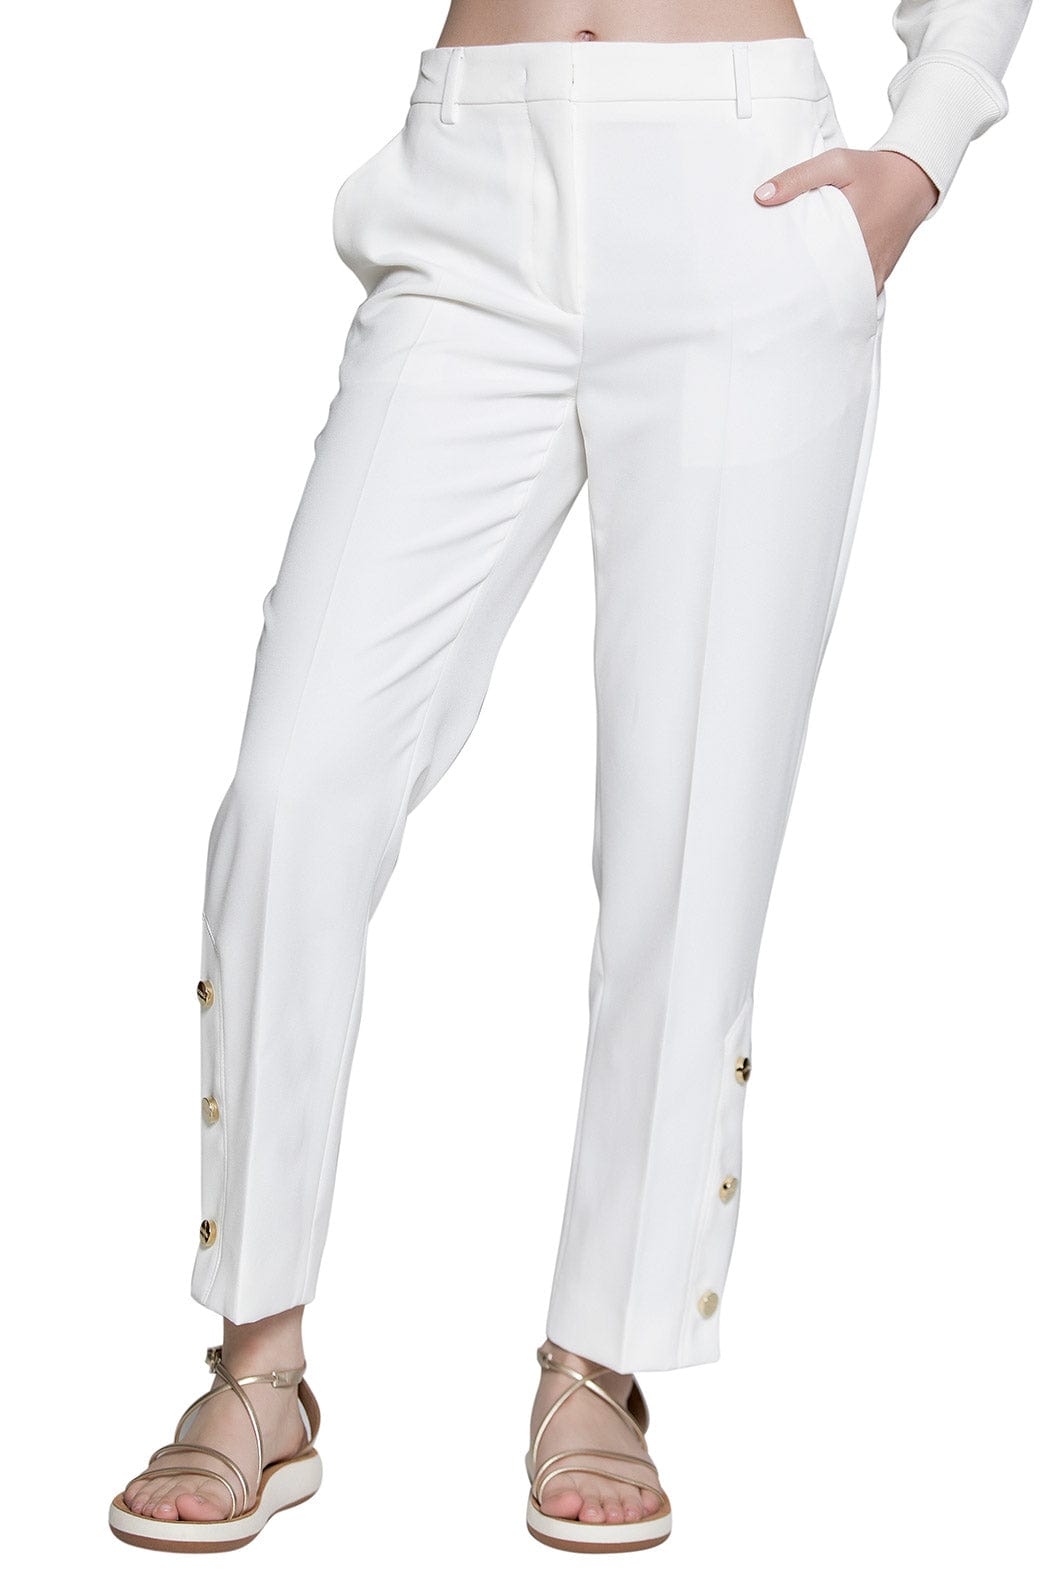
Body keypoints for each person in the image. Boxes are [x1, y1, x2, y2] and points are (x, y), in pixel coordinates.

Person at [109, 0, 1032, 1555]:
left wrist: (924, 144)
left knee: (691, 817)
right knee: (296, 782)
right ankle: (259, 1364)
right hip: (473, 185)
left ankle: (599, 1359)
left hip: (744, 197)